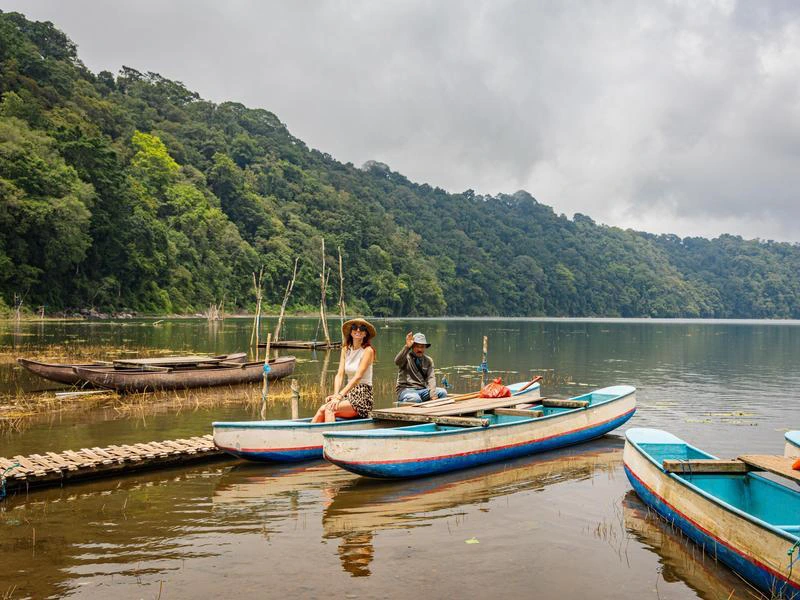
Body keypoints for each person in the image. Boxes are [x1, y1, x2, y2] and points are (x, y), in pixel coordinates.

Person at [312, 318, 376, 423]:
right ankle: (310, 437)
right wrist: (336, 395)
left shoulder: (368, 351)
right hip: (348, 394)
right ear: (351, 332)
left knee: (329, 409)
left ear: (365, 334)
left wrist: (340, 396)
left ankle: (331, 438)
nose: (358, 330)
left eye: (362, 328)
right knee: (321, 410)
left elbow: (358, 377)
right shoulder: (345, 349)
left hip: (362, 396)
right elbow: (340, 374)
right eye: (355, 327)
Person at [395, 331, 447, 403]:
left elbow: (431, 378)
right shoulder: (405, 357)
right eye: (417, 346)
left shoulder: (428, 360)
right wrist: (407, 347)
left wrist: (433, 395)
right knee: (415, 399)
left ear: (425, 347)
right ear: (412, 347)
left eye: (422, 347)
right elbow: (397, 362)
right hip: (406, 390)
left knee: (442, 392)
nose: (420, 349)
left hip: (422, 390)